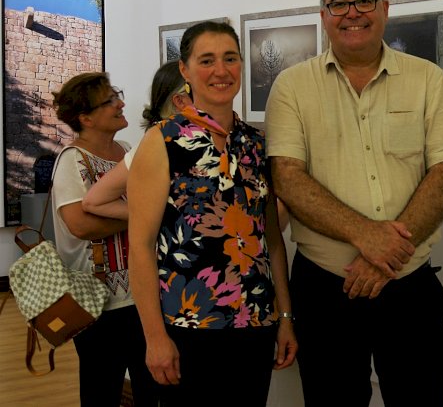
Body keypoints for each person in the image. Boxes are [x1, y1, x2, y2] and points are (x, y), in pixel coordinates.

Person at [265, 0, 443, 407]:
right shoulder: (291, 88)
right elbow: (288, 178)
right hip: (325, 291)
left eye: (364, 0)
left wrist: (385, 257)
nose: (352, 12)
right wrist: (367, 236)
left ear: (385, 8)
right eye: (338, 3)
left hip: (409, 284)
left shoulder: (427, 80)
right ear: (323, 15)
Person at [127, 21, 297, 407]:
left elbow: (272, 240)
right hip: (188, 327)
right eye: (207, 60)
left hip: (255, 323)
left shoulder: (255, 144)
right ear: (185, 70)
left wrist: (284, 318)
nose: (220, 71)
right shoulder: (163, 141)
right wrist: (154, 338)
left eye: (230, 58)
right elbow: (140, 245)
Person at [50, 73, 157, 407]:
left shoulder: (125, 150)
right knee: (101, 391)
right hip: (98, 304)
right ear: (86, 118)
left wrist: (120, 210)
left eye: (117, 95)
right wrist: (145, 213)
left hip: (142, 294)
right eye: (110, 99)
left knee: (150, 388)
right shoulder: (71, 160)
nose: (121, 103)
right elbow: (80, 225)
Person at [81, 61, 189, 220]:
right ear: (179, 101)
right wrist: (162, 217)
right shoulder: (160, 144)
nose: (121, 104)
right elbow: (93, 202)